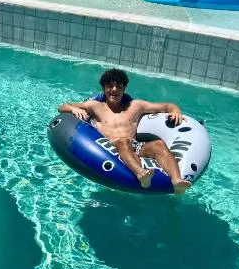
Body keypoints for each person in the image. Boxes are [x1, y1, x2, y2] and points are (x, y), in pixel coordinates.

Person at [58, 68, 192, 194]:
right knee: (123, 142)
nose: (114, 90)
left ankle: (177, 181)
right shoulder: (95, 106)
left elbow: (167, 106)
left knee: (158, 144)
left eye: (118, 86)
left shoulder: (136, 105)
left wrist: (175, 111)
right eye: (110, 86)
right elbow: (63, 107)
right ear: (104, 89)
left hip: (136, 146)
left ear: (124, 88)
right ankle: (141, 173)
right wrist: (73, 108)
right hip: (112, 148)